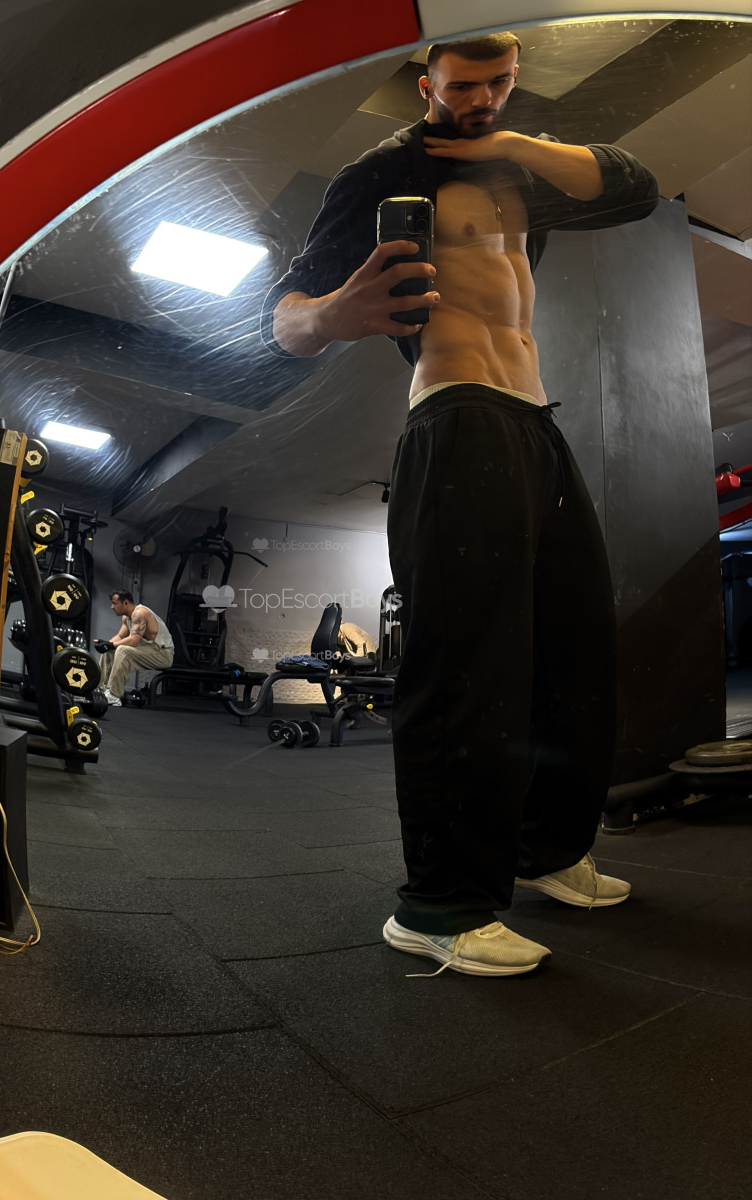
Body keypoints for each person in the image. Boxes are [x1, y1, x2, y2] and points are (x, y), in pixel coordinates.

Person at [261, 34, 659, 977]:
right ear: (425, 79)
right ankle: (437, 905)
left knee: (575, 655)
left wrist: (509, 144)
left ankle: (545, 848)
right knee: (468, 664)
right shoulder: (380, 172)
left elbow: (635, 188)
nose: (482, 98)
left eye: (499, 82)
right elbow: (281, 318)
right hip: (455, 412)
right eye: (464, 83)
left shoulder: (525, 167)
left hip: (535, 422)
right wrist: (332, 316)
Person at [95, 591, 174, 706]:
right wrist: (105, 644)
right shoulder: (126, 617)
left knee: (123, 650)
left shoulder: (139, 613)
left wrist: (110, 644)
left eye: (114, 603)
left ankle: (114, 695)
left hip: (163, 655)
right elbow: (120, 636)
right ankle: (100, 689)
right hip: (149, 649)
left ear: (126, 603)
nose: (112, 607)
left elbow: (133, 640)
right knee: (110, 649)